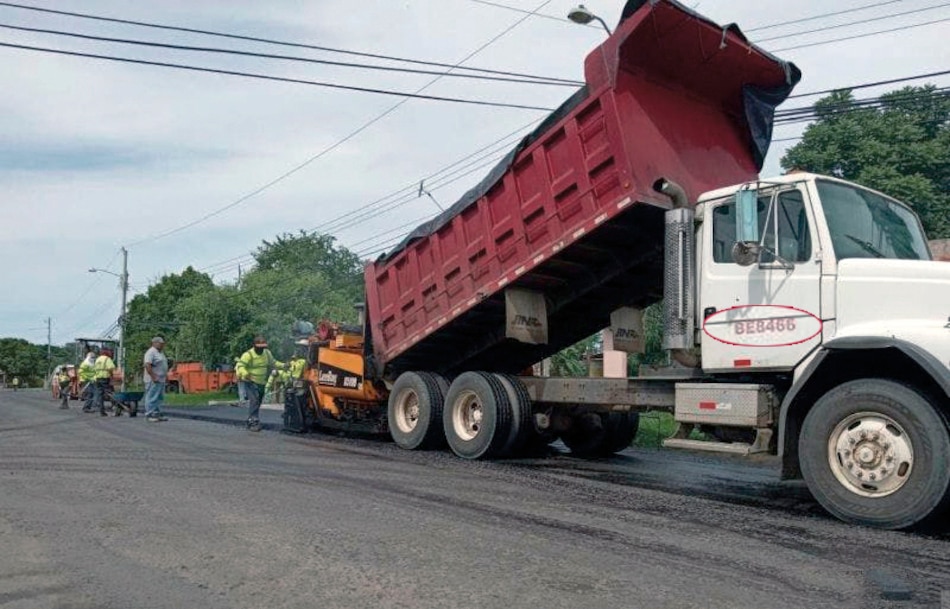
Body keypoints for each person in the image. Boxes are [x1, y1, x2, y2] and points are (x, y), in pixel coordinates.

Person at [235, 336, 285, 432]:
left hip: (261, 382)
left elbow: (273, 362)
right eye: (259, 347)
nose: (261, 349)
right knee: (254, 400)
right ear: (254, 346)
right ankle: (253, 421)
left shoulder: (267, 353)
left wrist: (284, 365)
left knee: (258, 402)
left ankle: (252, 418)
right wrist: (245, 374)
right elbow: (241, 366)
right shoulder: (248, 355)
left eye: (263, 347)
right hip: (250, 381)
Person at [143, 336, 169, 423]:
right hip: (153, 379)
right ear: (154, 343)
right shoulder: (151, 352)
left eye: (162, 344)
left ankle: (157, 413)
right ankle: (149, 414)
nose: (162, 345)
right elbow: (147, 365)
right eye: (160, 343)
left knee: (159, 397)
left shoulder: (160, 353)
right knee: (152, 396)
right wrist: (153, 376)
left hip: (161, 378)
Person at [93, 348, 116, 417]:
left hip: (97, 378)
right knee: (111, 393)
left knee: (100, 395)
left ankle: (102, 411)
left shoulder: (97, 359)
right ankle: (115, 407)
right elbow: (111, 368)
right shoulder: (107, 359)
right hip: (105, 378)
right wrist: (112, 376)